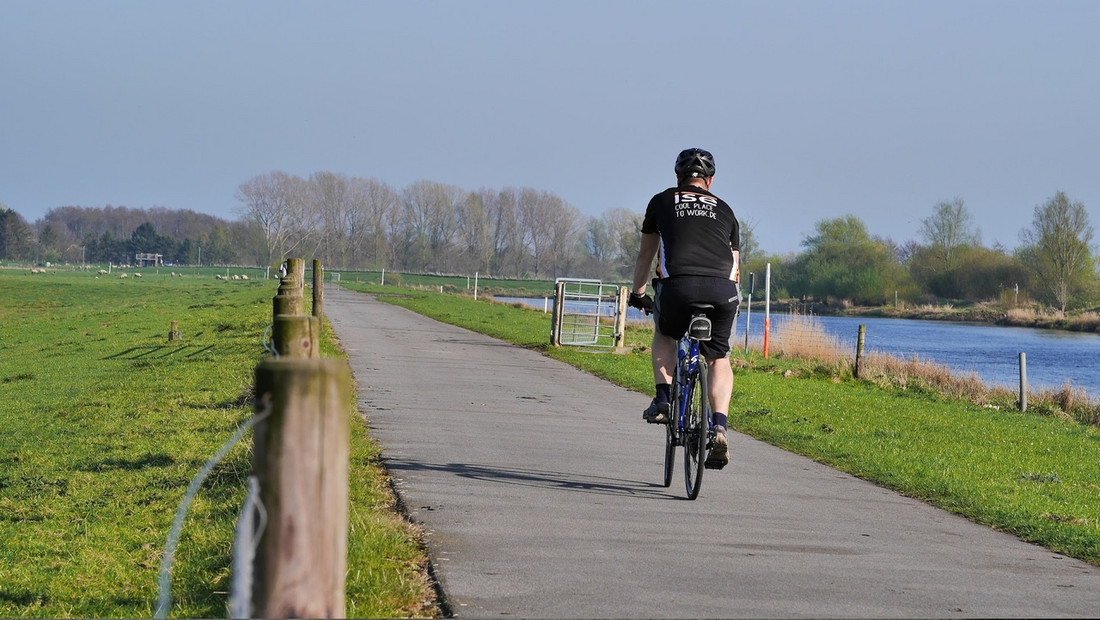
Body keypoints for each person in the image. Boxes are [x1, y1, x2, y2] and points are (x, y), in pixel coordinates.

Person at [628, 147, 741, 470]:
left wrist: (638, 293)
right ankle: (719, 425)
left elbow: (646, 255)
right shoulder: (726, 210)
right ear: (711, 180)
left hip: (678, 288)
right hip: (723, 291)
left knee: (665, 333)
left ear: (678, 178)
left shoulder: (662, 201)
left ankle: (663, 399)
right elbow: (734, 267)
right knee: (718, 357)